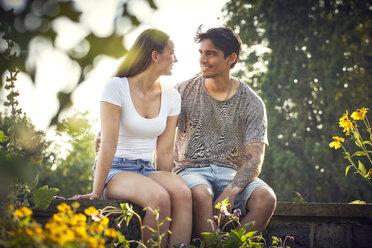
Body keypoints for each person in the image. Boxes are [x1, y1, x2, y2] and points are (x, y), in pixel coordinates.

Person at [70, 29, 192, 247]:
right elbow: (108, 142)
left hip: (146, 169)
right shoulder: (116, 87)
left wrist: (168, 182)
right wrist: (97, 192)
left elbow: (164, 150)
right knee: (160, 198)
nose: (176, 59)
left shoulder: (173, 95)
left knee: (182, 193)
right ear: (155, 56)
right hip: (116, 170)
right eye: (171, 53)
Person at [173, 27, 277, 241]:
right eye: (201, 52)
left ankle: (229, 245)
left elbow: (254, 160)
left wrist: (231, 192)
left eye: (211, 53)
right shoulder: (181, 92)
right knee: (202, 194)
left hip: (233, 174)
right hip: (191, 170)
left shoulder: (252, 102)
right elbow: (150, 124)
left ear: (231, 58)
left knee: (266, 198)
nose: (203, 59)